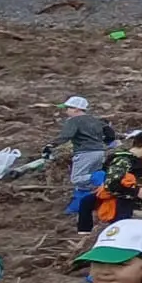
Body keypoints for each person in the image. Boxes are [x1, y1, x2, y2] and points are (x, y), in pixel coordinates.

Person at [49, 96, 116, 232]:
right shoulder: (95, 120)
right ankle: (80, 206)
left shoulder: (74, 121)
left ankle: (103, 177)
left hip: (85, 152)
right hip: (99, 152)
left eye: (68, 108)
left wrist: (51, 145)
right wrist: (106, 142)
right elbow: (110, 132)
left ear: (77, 109)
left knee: (77, 178)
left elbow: (66, 136)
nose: (66, 111)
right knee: (86, 183)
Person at [92, 130, 142, 230]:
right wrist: (136, 192)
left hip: (134, 209)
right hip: (120, 210)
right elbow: (111, 185)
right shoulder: (123, 160)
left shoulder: (140, 161)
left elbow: (132, 181)